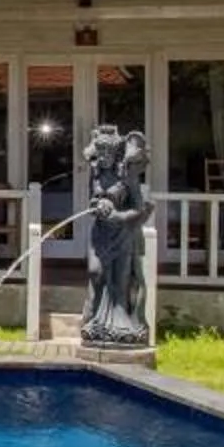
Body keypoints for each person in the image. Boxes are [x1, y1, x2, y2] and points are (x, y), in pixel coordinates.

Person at [82, 125, 153, 347]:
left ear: (116, 155)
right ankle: (95, 320)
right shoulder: (96, 175)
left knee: (119, 283)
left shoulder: (127, 177)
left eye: (108, 154)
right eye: (100, 153)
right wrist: (95, 206)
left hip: (122, 235)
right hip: (100, 233)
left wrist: (119, 217)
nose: (103, 158)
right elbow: (90, 200)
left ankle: (121, 326)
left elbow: (140, 209)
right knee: (96, 273)